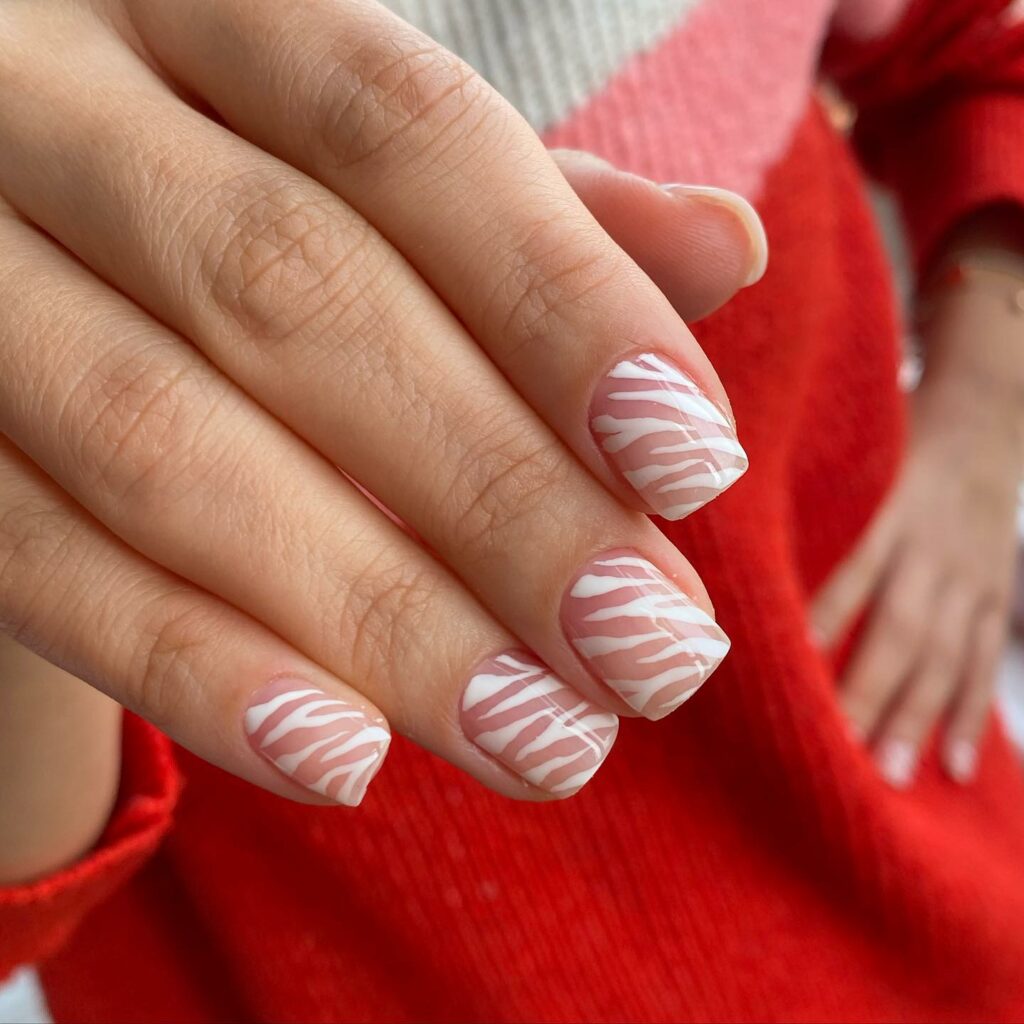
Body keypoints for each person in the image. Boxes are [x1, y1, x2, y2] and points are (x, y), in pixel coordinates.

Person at [1, 0, 1023, 1020]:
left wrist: (988, 399)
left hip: (930, 887)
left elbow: (975, 45)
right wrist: (46, 453)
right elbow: (26, 906)